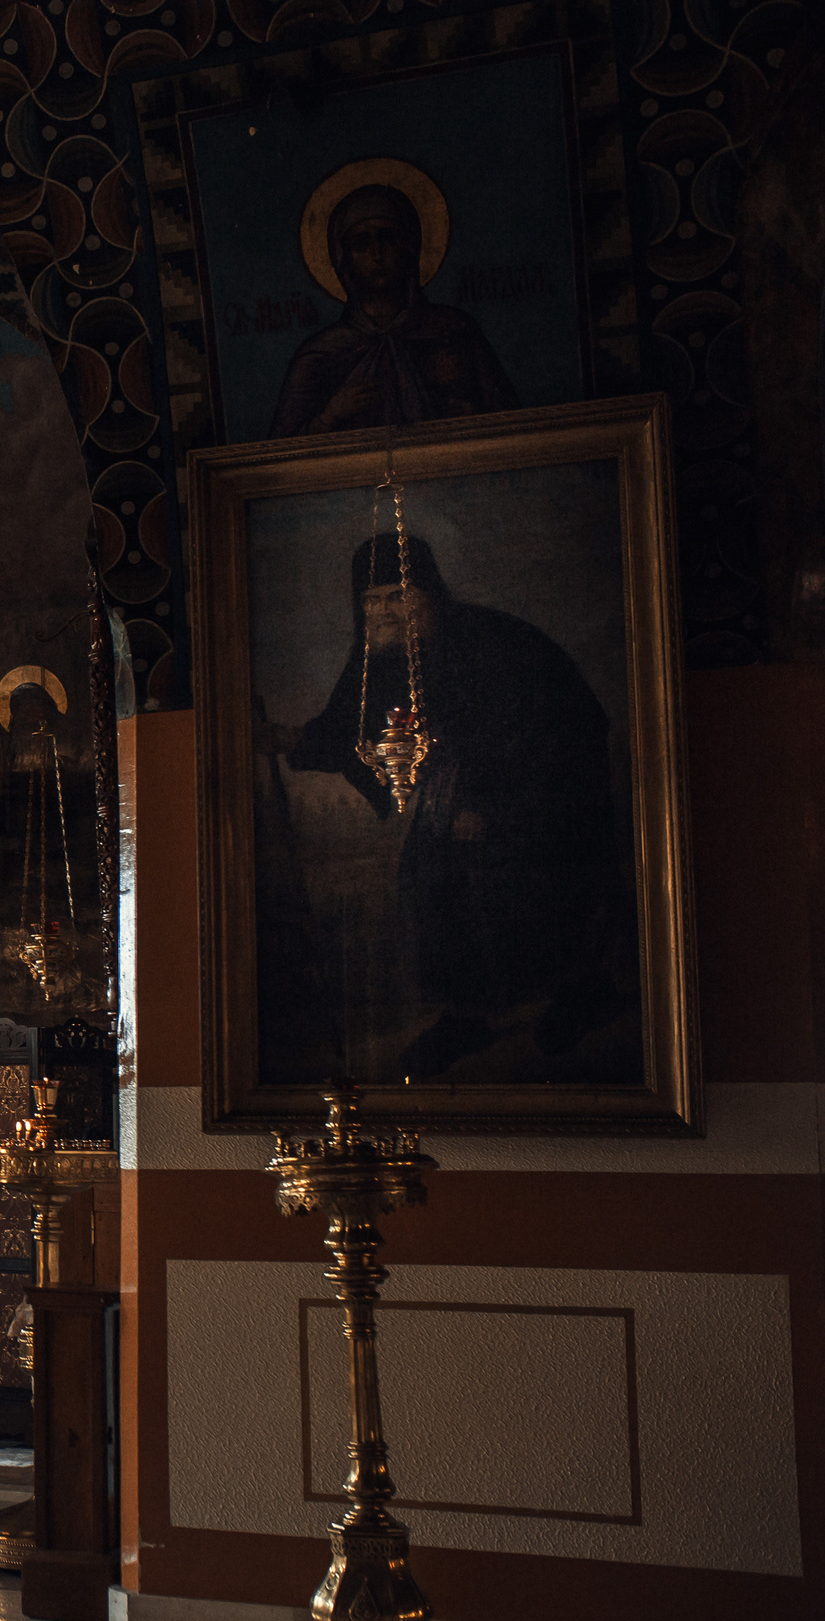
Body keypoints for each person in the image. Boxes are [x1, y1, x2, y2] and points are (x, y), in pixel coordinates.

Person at [254, 532, 628, 1081]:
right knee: (431, 880)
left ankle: (581, 992)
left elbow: (541, 733)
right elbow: (352, 728)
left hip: (547, 789)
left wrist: (490, 807)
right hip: (460, 796)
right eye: (371, 600)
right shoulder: (380, 656)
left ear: (426, 593)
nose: (382, 611)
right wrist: (288, 739)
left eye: (396, 596)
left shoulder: (490, 644)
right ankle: (467, 1015)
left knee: (523, 885)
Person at [271, 182, 518, 438]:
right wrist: (331, 415)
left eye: (388, 238)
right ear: (343, 261)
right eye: (361, 243)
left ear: (409, 248)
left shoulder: (454, 331)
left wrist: (474, 418)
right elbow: (280, 457)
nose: (377, 254)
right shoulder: (319, 356)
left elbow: (513, 427)